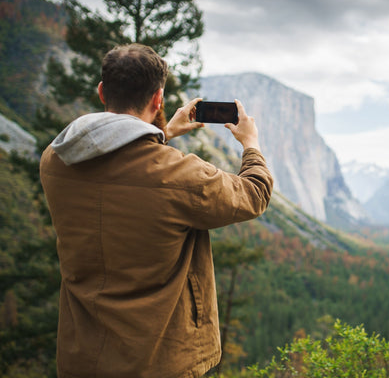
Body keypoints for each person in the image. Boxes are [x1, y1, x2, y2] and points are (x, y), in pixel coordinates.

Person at [39, 43, 273, 378]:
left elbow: (122, 173)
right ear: (158, 100)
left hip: (83, 356)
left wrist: (165, 132)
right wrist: (251, 144)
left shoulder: (54, 161)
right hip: (159, 360)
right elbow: (254, 193)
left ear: (103, 92)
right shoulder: (177, 175)